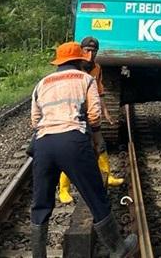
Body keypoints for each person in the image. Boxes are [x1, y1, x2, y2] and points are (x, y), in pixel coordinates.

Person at [30, 42, 137, 257]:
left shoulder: (42, 83)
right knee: (95, 195)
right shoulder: (85, 79)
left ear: (58, 62)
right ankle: (118, 248)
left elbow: (35, 120)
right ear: (80, 60)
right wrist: (97, 138)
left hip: (43, 144)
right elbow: (95, 114)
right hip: (72, 142)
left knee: (40, 203)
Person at [58, 37, 125, 204]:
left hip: (90, 112)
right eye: (87, 50)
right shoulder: (76, 67)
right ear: (81, 51)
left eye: (93, 51)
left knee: (100, 146)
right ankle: (64, 189)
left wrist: (105, 111)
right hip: (74, 114)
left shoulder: (97, 69)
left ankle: (107, 176)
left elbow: (99, 92)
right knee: (72, 151)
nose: (90, 54)